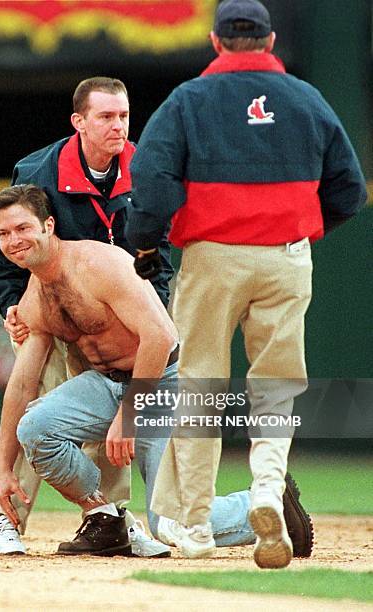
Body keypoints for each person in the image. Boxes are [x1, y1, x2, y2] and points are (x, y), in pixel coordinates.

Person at [125, 0, 367, 567]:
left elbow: (153, 180)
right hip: (286, 257)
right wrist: (300, 232)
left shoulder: (188, 99)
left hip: (213, 257)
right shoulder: (307, 98)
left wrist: (144, 244)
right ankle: (265, 489)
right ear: (269, 39)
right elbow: (349, 191)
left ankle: (195, 525)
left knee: (201, 385)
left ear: (214, 41)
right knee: (277, 386)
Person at [0, 77, 174, 558]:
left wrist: (148, 319)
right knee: (36, 404)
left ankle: (109, 521)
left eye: (125, 116)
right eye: (106, 117)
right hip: (49, 315)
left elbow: (160, 256)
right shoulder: (39, 173)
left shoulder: (147, 171)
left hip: (120, 322)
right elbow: (4, 249)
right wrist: (13, 306)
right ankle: (5, 516)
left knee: (113, 422)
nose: (119, 126)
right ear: (79, 122)